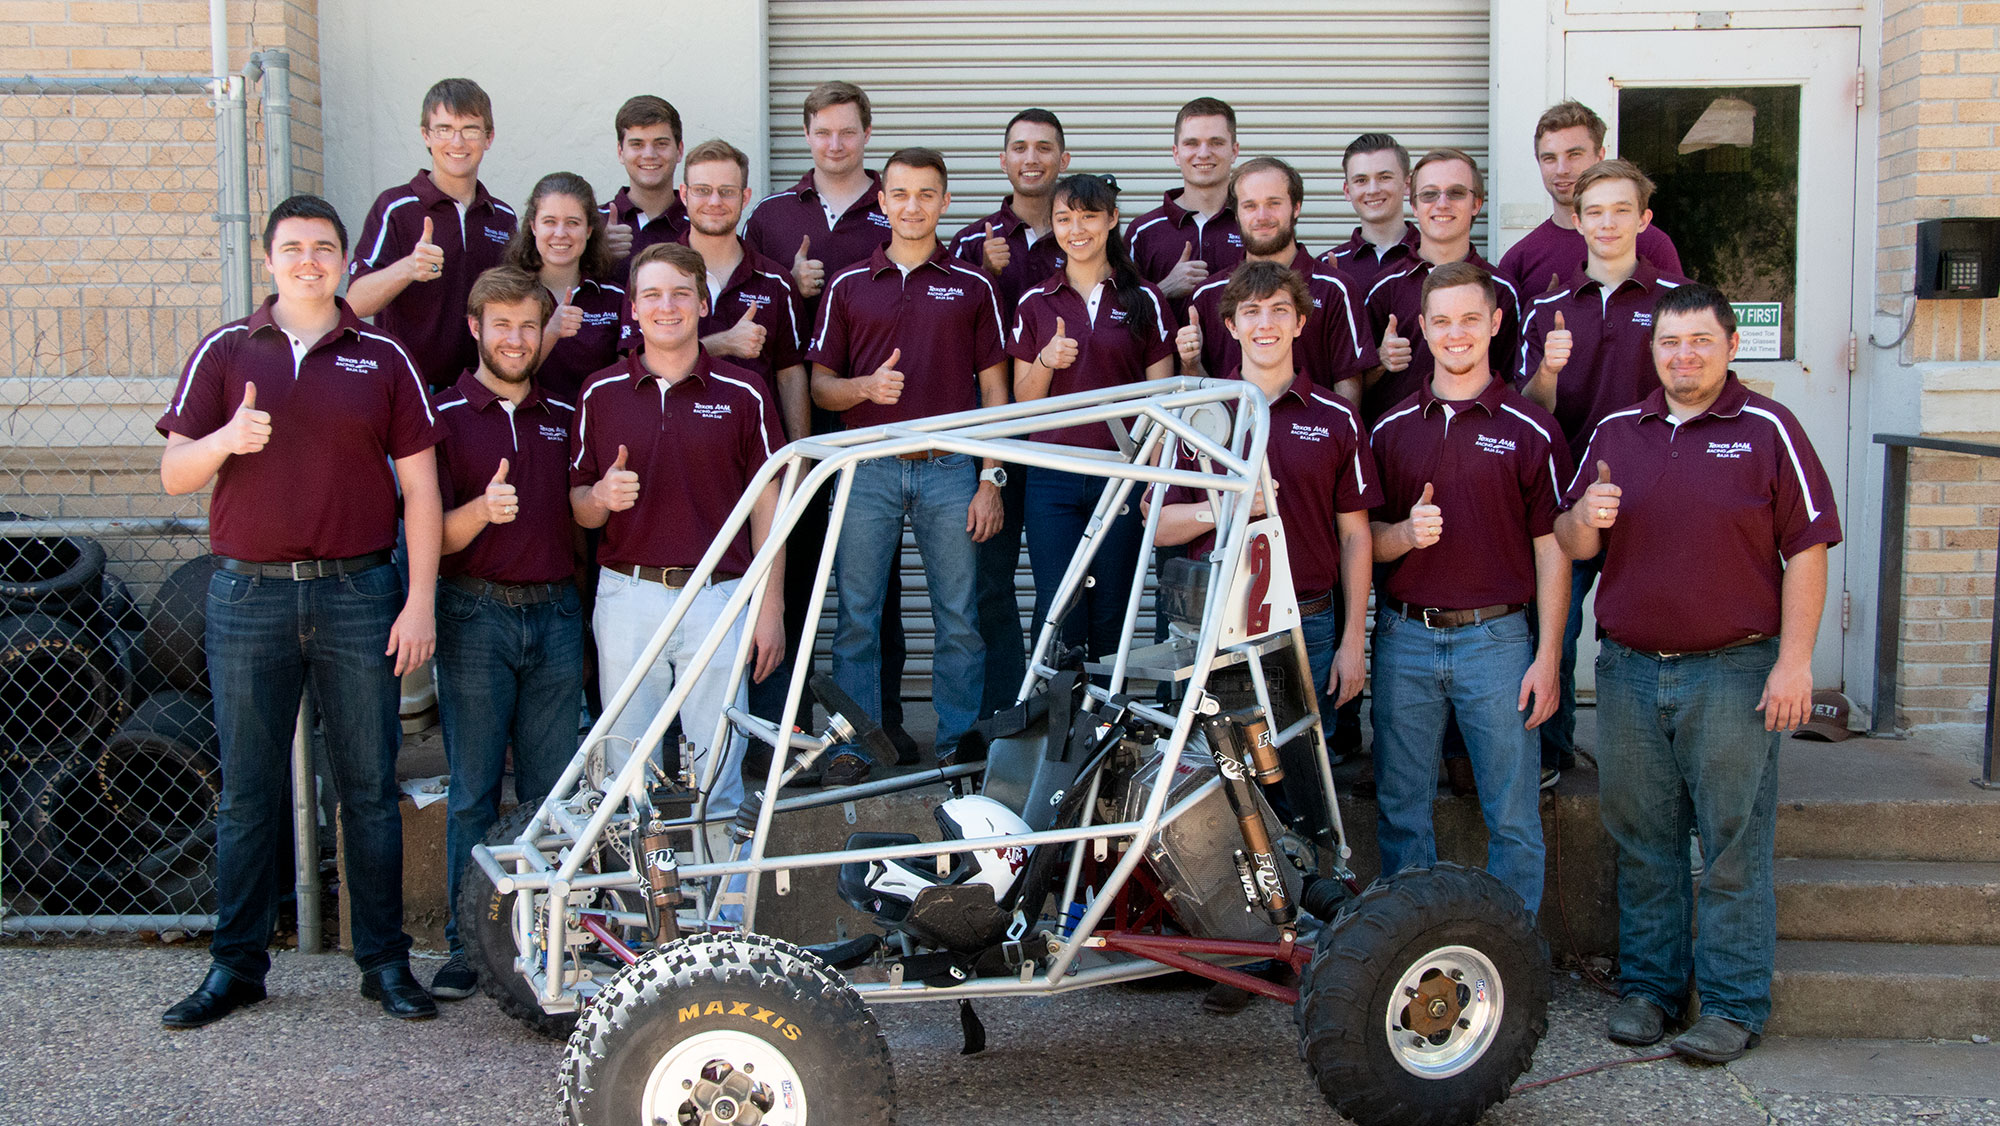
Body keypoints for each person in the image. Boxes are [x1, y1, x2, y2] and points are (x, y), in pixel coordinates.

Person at [158, 194, 444, 1027]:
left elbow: (421, 489)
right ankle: (236, 966)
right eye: (293, 246)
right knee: (247, 794)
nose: (309, 260)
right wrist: (223, 443)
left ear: (345, 258)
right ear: (269, 256)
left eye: (324, 246)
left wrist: (418, 598)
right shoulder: (225, 350)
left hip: (359, 594)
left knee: (366, 787)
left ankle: (384, 966)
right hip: (247, 596)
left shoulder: (382, 358)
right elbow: (176, 471)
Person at [1555, 283, 1838, 1063]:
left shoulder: (1768, 429)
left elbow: (1807, 553)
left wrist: (1795, 663)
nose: (1684, 357)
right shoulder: (1619, 429)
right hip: (1628, 672)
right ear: (1654, 351)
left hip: (1734, 671)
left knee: (1731, 845)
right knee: (1643, 840)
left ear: (1729, 346)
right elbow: (1570, 540)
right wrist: (1586, 519)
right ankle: (1649, 990)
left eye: (1700, 342)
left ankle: (1732, 1004)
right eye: (1670, 344)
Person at [1366, 260, 1568, 917]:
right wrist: (1406, 536)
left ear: (1496, 324)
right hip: (1405, 638)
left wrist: (1548, 657)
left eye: (1470, 320)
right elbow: (1362, 542)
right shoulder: (1391, 429)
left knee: (1511, 814)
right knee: (1402, 811)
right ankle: (1410, 950)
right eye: (1443, 321)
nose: (1456, 334)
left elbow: (1553, 550)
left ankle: (1514, 960)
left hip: (1498, 642)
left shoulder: (1531, 428)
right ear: (1423, 328)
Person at [808, 147, 1009, 785]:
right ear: (883, 201)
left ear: (944, 202)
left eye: (927, 194)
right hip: (865, 469)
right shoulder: (847, 286)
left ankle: (956, 745)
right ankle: (858, 746)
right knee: (858, 616)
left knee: (958, 615)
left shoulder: (974, 286)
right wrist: (864, 389)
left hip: (951, 469)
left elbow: (997, 394)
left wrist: (990, 477)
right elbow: (820, 389)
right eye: (900, 193)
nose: (913, 206)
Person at [570, 243, 787, 825]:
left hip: (718, 596)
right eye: (652, 295)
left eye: (680, 294)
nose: (667, 307)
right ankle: (623, 912)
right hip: (627, 594)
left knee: (718, 765)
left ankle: (718, 913)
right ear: (633, 309)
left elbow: (771, 504)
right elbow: (580, 507)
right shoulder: (599, 392)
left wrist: (770, 608)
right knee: (619, 770)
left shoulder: (745, 393)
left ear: (701, 302)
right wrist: (599, 498)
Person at [743, 81, 918, 761]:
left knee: (876, 587)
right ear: (807, 136)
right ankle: (783, 730)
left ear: (867, 135)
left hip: (880, 421)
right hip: (798, 421)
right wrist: (792, 285)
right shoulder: (772, 217)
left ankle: (885, 724)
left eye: (848, 132)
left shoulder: (893, 205)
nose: (835, 144)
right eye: (823, 132)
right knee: (790, 573)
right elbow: (756, 304)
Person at [426, 266, 583, 1001]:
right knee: (474, 792)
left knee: (552, 791)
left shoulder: (564, 414)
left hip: (555, 616)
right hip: (473, 615)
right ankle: (468, 944)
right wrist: (480, 513)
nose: (515, 340)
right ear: (475, 329)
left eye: (528, 326)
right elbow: (427, 534)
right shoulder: (445, 416)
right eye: (502, 326)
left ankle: (547, 936)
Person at [1156, 260, 1377, 778]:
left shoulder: (1335, 417)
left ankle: (1304, 863)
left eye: (1280, 310)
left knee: (1303, 779)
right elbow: (1157, 523)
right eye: (1251, 312)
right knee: (1221, 781)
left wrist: (1352, 641)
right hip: (1214, 621)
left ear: (1301, 322)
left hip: (1309, 622)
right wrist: (1225, 506)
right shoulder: (1200, 412)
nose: (1266, 324)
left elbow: (1355, 536)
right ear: (1230, 327)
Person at [1515, 159, 1689, 787]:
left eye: (1621, 211)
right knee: (1550, 628)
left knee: (1648, 635)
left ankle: (1648, 765)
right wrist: (1550, 372)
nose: (1607, 223)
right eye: (1594, 211)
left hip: (1655, 498)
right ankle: (1550, 754)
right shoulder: (1550, 306)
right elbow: (1528, 410)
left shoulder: (1678, 300)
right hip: (1568, 497)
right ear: (1577, 221)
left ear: (1643, 219)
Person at [1009, 172, 1174, 660]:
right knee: (1059, 606)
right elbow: (1022, 402)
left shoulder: (1144, 298)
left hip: (1121, 473)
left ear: (1112, 220)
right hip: (1052, 475)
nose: (1076, 228)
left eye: (1088, 216)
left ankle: (1104, 726)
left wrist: (1150, 475)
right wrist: (1046, 360)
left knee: (1112, 610)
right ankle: (1055, 725)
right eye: (1063, 218)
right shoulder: (1035, 302)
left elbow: (1162, 398)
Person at [949, 108, 1073, 717]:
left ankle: (1062, 712)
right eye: (1019, 148)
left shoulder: (1083, 232)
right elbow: (954, 332)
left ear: (1062, 160)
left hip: (1064, 430)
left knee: (1069, 584)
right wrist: (984, 274)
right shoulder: (973, 241)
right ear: (1003, 160)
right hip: (994, 423)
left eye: (1044, 148)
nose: (1032, 159)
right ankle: (1003, 710)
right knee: (990, 580)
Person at [348, 78, 516, 390]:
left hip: (483, 393)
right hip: (412, 390)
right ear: (426, 135)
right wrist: (408, 268)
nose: (457, 142)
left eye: (470, 129)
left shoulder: (502, 217)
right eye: (444, 129)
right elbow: (355, 303)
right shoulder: (396, 208)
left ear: (488, 137)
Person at [1177, 156, 1371, 403]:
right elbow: (1198, 391)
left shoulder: (1335, 289)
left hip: (1310, 438)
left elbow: (1348, 382)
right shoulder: (1208, 294)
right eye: (1250, 206)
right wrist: (1190, 363)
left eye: (1273, 203)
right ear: (1236, 214)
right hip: (1231, 440)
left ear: (1296, 207)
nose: (1262, 216)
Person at [1361, 148, 1520, 426]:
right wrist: (1380, 360)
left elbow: (1513, 383)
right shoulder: (1382, 288)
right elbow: (1352, 383)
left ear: (1476, 204)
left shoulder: (1502, 290)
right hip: (1397, 447)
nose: (1442, 204)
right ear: (1414, 205)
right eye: (1429, 194)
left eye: (1456, 193)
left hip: (1480, 443)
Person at [677, 139, 810, 442]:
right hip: (674, 448)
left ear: (745, 196)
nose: (714, 201)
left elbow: (790, 376)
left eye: (726, 191)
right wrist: (722, 344)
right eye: (702, 190)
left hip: (756, 455)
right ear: (684, 194)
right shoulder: (656, 275)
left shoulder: (775, 282)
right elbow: (636, 362)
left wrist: (800, 460)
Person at [1495, 100, 1683, 299]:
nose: (1562, 169)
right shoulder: (1519, 259)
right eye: (1549, 158)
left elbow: (1680, 321)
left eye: (1574, 154)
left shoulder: (1650, 243)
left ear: (1599, 155)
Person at [502, 172, 625, 403]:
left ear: (589, 230)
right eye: (549, 221)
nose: (560, 233)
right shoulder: (507, 294)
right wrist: (551, 331)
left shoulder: (616, 297)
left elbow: (625, 383)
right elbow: (504, 379)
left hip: (592, 430)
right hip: (527, 428)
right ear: (533, 226)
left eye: (573, 223)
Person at [1126, 97, 1245, 304]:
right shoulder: (1143, 232)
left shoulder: (1253, 223)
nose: (1204, 153)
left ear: (1234, 151)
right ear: (1176, 153)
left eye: (1216, 143)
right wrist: (1164, 288)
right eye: (1192, 143)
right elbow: (1119, 320)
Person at [600, 95, 689, 279]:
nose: (649, 154)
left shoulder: (699, 222)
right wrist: (594, 251)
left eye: (661, 144)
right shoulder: (592, 224)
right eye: (637, 144)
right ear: (620, 152)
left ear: (679, 151)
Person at [1322, 132, 1421, 294]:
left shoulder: (1430, 257)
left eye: (1384, 177)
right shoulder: (1327, 266)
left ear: (1407, 184)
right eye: (1361, 180)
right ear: (1347, 191)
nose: (1373, 190)